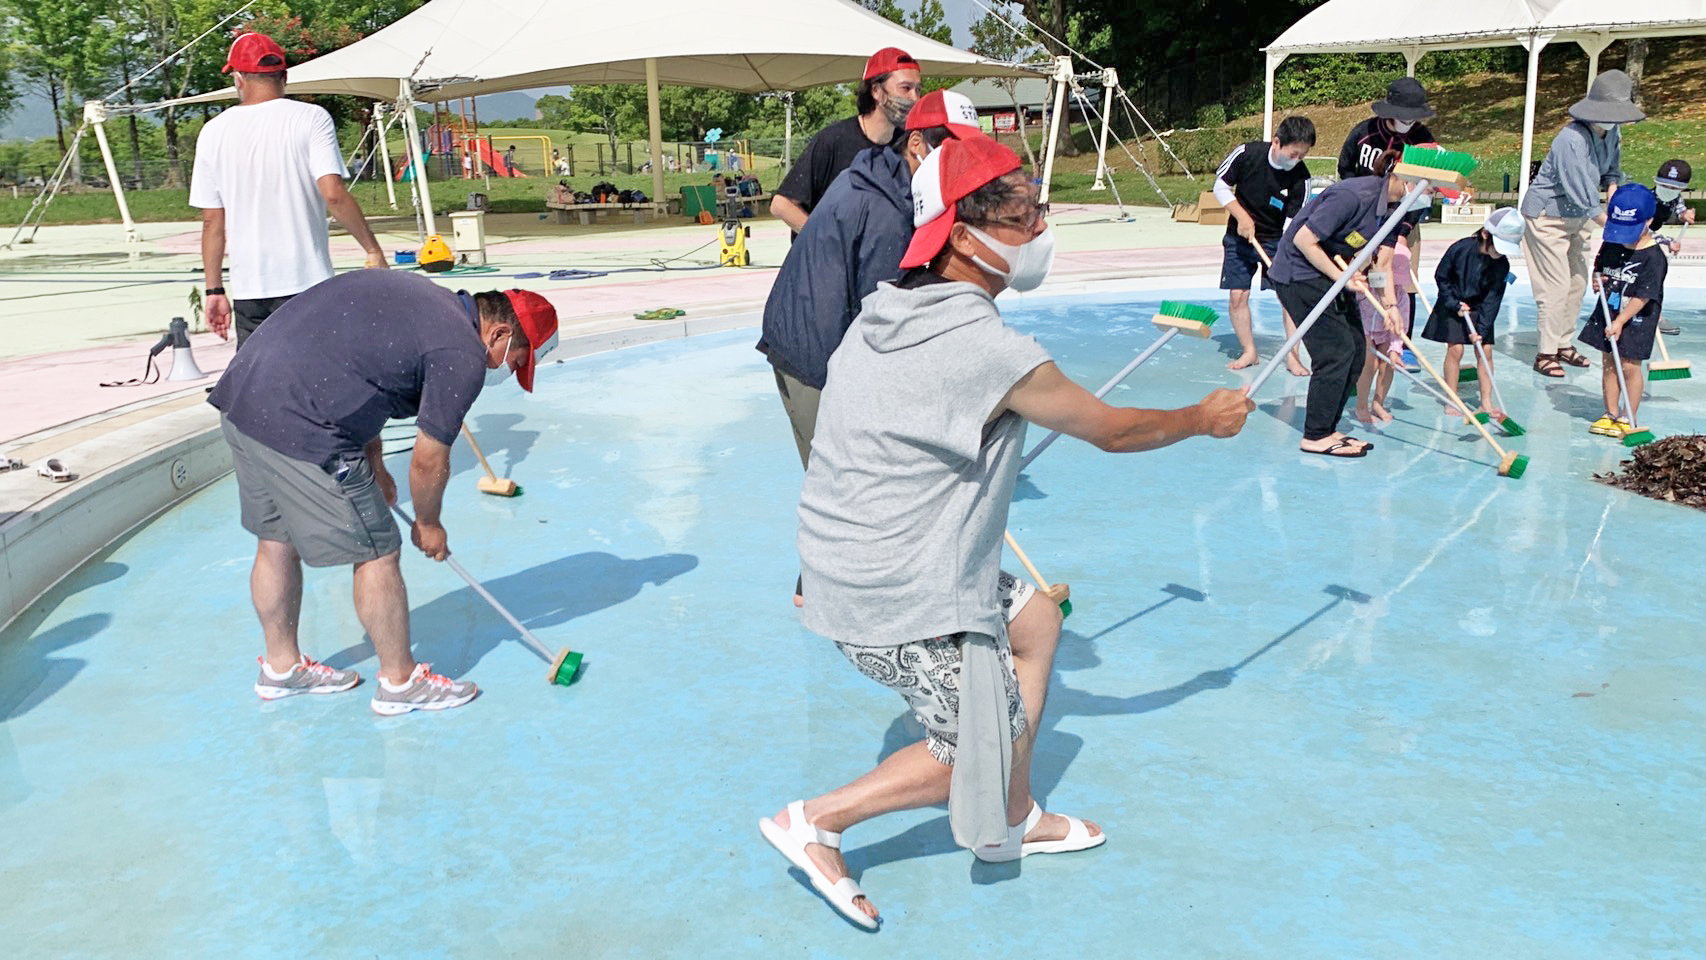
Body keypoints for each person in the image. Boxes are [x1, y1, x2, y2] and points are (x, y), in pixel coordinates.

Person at [758, 136, 1251, 930]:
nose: (1041, 230)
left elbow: (849, 451)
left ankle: (1010, 823)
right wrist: (1201, 416)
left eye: (1037, 211)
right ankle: (816, 822)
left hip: (855, 559)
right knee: (978, 748)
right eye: (1025, 217)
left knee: (1036, 618)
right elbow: (1115, 431)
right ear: (963, 235)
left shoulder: (882, 309)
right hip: (897, 587)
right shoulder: (987, 350)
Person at [207, 271, 560, 715]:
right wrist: (429, 525)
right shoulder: (460, 352)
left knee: (277, 541)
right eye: (514, 360)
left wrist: (374, 464)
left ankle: (282, 669)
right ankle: (400, 682)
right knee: (377, 549)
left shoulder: (426, 303)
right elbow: (428, 459)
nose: (505, 370)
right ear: (500, 333)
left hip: (245, 398)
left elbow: (365, 373)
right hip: (302, 420)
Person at [758, 89, 984, 606]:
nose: (965, 163)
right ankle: (819, 588)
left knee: (858, 471)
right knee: (844, 475)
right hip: (811, 348)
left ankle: (846, 578)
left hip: (821, 329)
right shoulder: (881, 207)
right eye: (955, 149)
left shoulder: (893, 176)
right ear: (919, 145)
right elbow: (883, 318)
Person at [191, 32, 389, 349]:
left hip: (250, 290)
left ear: (238, 79)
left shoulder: (213, 132)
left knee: (261, 387)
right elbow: (333, 193)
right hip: (308, 283)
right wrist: (371, 249)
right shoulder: (311, 118)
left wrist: (214, 290)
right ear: (283, 76)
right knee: (320, 381)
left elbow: (212, 222)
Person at [1269, 148, 1423, 458]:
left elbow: (1381, 264)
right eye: (1426, 185)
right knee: (1335, 351)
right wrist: (1343, 277)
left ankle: (1328, 427)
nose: (1427, 194)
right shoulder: (1354, 196)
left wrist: (1390, 305)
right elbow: (1303, 240)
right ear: (1402, 174)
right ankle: (1315, 435)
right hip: (1298, 274)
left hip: (1333, 276)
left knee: (1355, 350)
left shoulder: (1396, 209)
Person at [1521, 69, 1643, 378]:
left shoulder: (1613, 132)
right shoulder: (1570, 139)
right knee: (1556, 285)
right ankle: (1545, 352)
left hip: (1578, 218)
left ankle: (1563, 343)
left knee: (1577, 282)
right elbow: (1584, 195)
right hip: (1547, 216)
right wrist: (1619, 229)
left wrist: (1616, 197)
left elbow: (1612, 171)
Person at [1338, 77, 1439, 365]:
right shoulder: (1363, 134)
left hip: (1406, 218)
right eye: (1404, 114)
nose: (1409, 121)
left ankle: (1401, 344)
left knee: (1403, 279)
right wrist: (1357, 216)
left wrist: (1405, 232)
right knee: (1357, 279)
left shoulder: (1424, 140)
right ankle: (1359, 340)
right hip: (1361, 220)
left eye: (1414, 116)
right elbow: (1345, 171)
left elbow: (1425, 189)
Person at [769, 47, 922, 234]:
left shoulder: (906, 146)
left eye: (918, 89)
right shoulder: (833, 140)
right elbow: (782, 204)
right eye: (906, 88)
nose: (915, 98)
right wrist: (826, 241)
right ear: (876, 91)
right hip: (830, 260)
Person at [1214, 115, 1316, 374]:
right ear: (1277, 142)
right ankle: (1249, 351)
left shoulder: (1301, 179)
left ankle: (1293, 356)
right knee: (1238, 296)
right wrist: (1242, 217)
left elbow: (1292, 226)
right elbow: (1221, 186)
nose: (1296, 160)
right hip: (1239, 236)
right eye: (1293, 153)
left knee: (1288, 299)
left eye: (1302, 156)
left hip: (1276, 241)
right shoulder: (1247, 153)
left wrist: (1283, 251)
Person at [1420, 208, 1522, 418]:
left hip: (1480, 307)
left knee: (1485, 351)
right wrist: (1454, 304)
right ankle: (1452, 398)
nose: (1500, 253)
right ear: (1485, 234)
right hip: (1453, 302)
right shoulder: (1461, 248)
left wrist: (1482, 330)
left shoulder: (1501, 264)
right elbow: (1442, 277)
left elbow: (1493, 299)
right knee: (1456, 349)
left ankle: (1486, 401)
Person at [1582, 185, 1667, 438]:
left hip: (1635, 318)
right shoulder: (1613, 242)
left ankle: (1629, 415)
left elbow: (1643, 296)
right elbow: (1601, 265)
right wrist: (1598, 279)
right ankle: (1610, 413)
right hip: (1609, 311)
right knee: (1609, 362)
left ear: (1649, 221)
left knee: (1629, 366)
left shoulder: (1653, 257)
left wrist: (1620, 321)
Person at [1352, 237, 1411, 424]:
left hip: (1387, 333)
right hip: (1365, 329)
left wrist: (1395, 349)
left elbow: (1401, 325)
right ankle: (1361, 405)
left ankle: (1378, 402)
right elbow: (1354, 312)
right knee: (1370, 365)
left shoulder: (1401, 296)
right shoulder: (1364, 287)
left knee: (1387, 365)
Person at [1649, 159, 1694, 334]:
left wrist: (1685, 215)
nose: (1670, 192)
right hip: (1635, 239)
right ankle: (1649, 314)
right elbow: (1643, 230)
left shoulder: (1675, 198)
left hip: (1648, 239)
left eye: (1675, 189)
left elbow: (1679, 208)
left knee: (1658, 270)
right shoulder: (1648, 200)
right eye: (1665, 186)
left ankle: (1653, 311)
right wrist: (1668, 242)